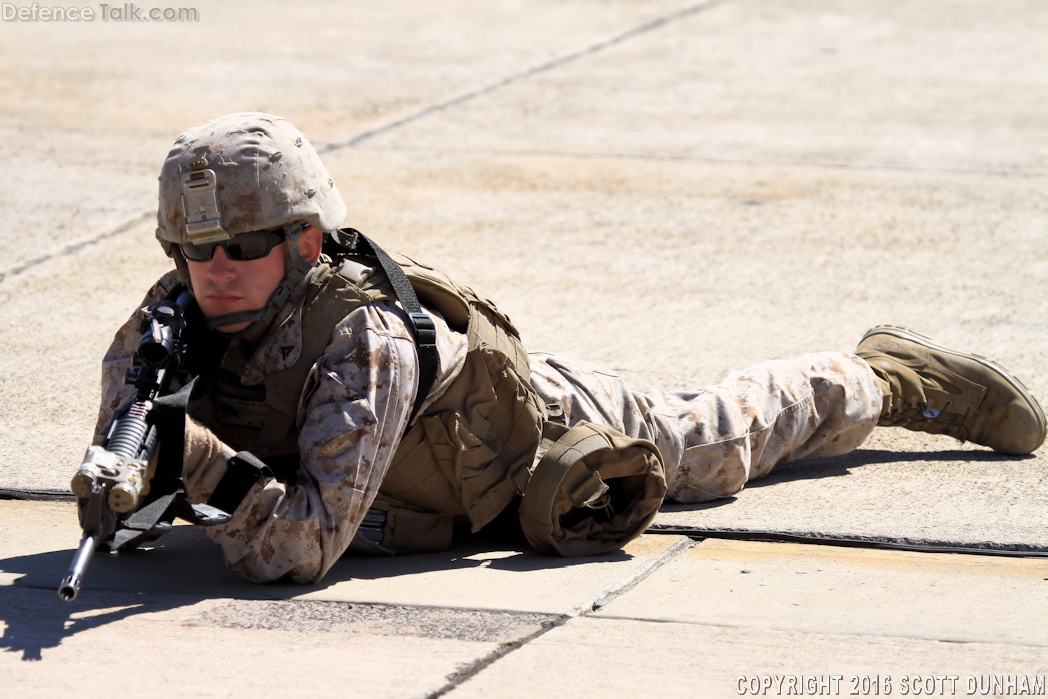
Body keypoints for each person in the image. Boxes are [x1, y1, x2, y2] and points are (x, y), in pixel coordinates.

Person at [91, 112, 1046, 585]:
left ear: (304, 241)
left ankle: (889, 376)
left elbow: (300, 547)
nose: (213, 268)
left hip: (540, 431)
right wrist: (129, 475)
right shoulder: (168, 326)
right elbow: (123, 503)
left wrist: (200, 467)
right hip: (427, 485)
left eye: (244, 245)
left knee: (722, 437)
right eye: (194, 248)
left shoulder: (364, 337)